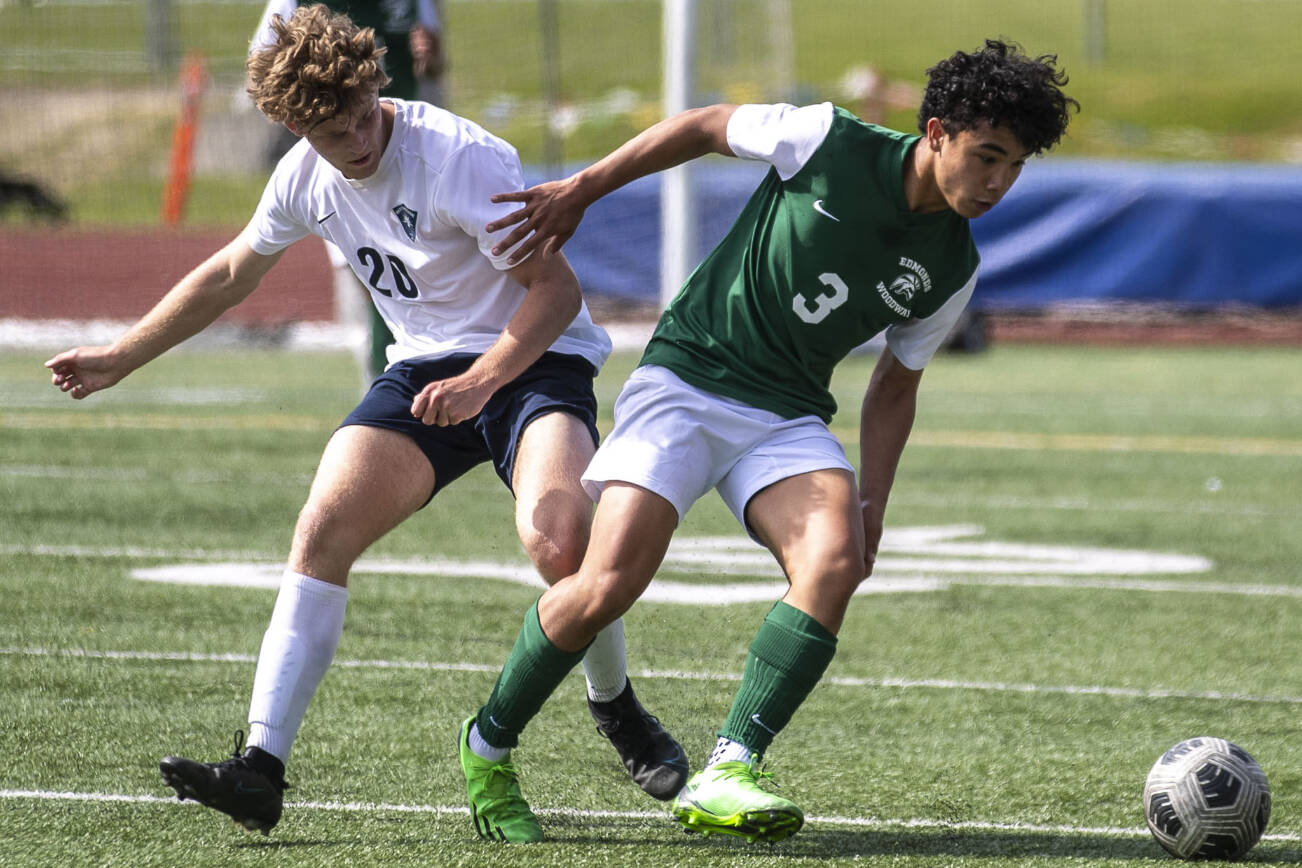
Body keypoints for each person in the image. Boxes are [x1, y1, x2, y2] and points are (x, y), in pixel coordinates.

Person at [44, 3, 685, 836]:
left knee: (562, 540)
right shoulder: (305, 175)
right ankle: (261, 767)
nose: (352, 140)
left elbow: (557, 292)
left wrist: (485, 379)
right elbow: (234, 271)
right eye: (325, 130)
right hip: (421, 371)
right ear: (289, 124)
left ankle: (616, 706)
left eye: (357, 115)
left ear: (374, 85)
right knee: (321, 530)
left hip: (532, 360)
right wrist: (118, 356)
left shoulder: (458, 157)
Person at [454, 38, 1078, 843]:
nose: (997, 182)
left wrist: (875, 495)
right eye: (987, 156)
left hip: (785, 417)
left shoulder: (953, 264)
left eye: (1015, 166)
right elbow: (705, 125)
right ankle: (488, 746)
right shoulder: (828, 139)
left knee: (837, 558)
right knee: (604, 583)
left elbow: (896, 382)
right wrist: (584, 187)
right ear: (934, 133)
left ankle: (729, 766)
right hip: (686, 382)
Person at [251, 0, 448, 388]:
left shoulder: (450, 150)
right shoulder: (303, 177)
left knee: (422, 283)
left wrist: (431, 55)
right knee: (369, 289)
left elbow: (433, 60)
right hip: (343, 170)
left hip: (403, 160)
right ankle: (381, 393)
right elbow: (262, 68)